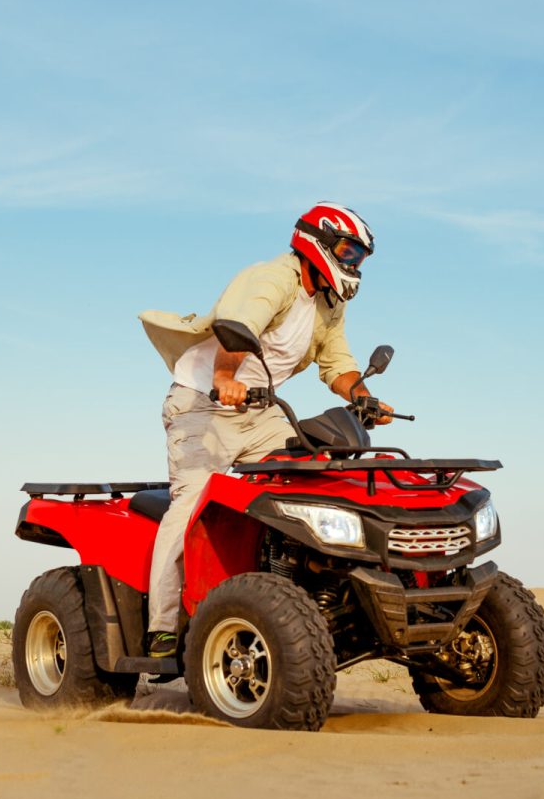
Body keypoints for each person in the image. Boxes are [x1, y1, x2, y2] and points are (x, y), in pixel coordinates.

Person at [136, 202, 391, 657]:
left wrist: (361, 398)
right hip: (202, 404)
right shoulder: (271, 278)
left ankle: (305, 595)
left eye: (360, 257)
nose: (355, 264)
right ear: (320, 243)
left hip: (260, 410)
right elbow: (237, 329)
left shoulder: (328, 304)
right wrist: (224, 380)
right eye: (349, 252)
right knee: (191, 507)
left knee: (311, 478)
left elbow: (336, 364)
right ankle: (162, 627)